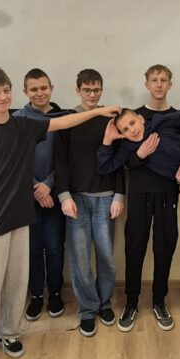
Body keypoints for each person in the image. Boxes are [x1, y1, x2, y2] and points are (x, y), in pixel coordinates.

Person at [0, 67, 119, 359]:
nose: (2, 97)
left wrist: (99, 112)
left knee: (16, 284)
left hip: (21, 217)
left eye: (6, 91)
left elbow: (64, 121)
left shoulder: (24, 126)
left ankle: (9, 333)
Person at [111, 64, 180, 332]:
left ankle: (159, 301)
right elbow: (124, 161)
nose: (158, 84)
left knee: (165, 246)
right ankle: (131, 302)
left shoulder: (178, 118)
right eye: (154, 80)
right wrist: (141, 154)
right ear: (146, 84)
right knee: (135, 247)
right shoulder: (133, 118)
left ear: (170, 84)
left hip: (168, 192)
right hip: (139, 193)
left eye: (163, 80)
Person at [54, 69, 126, 337]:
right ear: (78, 91)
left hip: (106, 198)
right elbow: (59, 160)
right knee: (80, 258)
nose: (92, 95)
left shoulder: (111, 119)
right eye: (87, 90)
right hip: (76, 199)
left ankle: (104, 303)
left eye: (96, 90)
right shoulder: (67, 120)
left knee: (106, 256)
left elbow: (118, 159)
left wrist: (119, 195)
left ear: (102, 90)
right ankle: (87, 308)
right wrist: (64, 196)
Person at [12, 68, 71, 322]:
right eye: (33, 89)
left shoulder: (64, 119)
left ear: (51, 88)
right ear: (25, 92)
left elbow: (67, 158)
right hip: (27, 196)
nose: (39, 93)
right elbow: (13, 160)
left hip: (55, 194)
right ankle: (36, 294)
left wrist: (48, 185)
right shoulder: (16, 119)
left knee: (55, 247)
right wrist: (35, 188)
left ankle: (55, 293)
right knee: (33, 249)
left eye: (44, 88)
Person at [97, 107, 180, 182]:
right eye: (125, 129)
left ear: (140, 118)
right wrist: (107, 140)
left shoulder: (159, 122)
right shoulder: (127, 147)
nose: (132, 130)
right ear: (122, 134)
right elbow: (104, 168)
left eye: (132, 123)